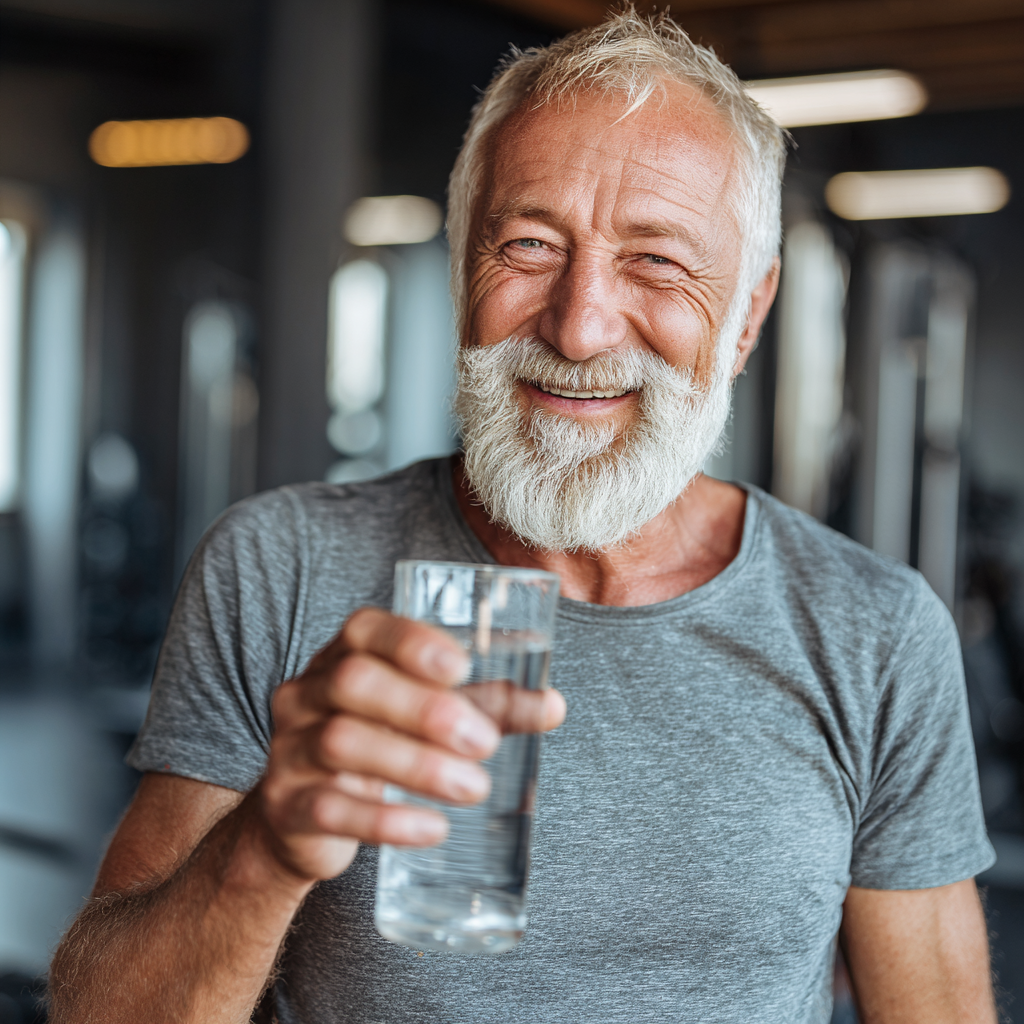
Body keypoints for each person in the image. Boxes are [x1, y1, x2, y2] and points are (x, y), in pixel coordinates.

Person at [51, 9, 997, 1023]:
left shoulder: (875, 632)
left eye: (656, 261)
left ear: (747, 317)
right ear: (465, 268)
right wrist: (264, 849)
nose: (580, 325)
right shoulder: (277, 565)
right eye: (530, 243)